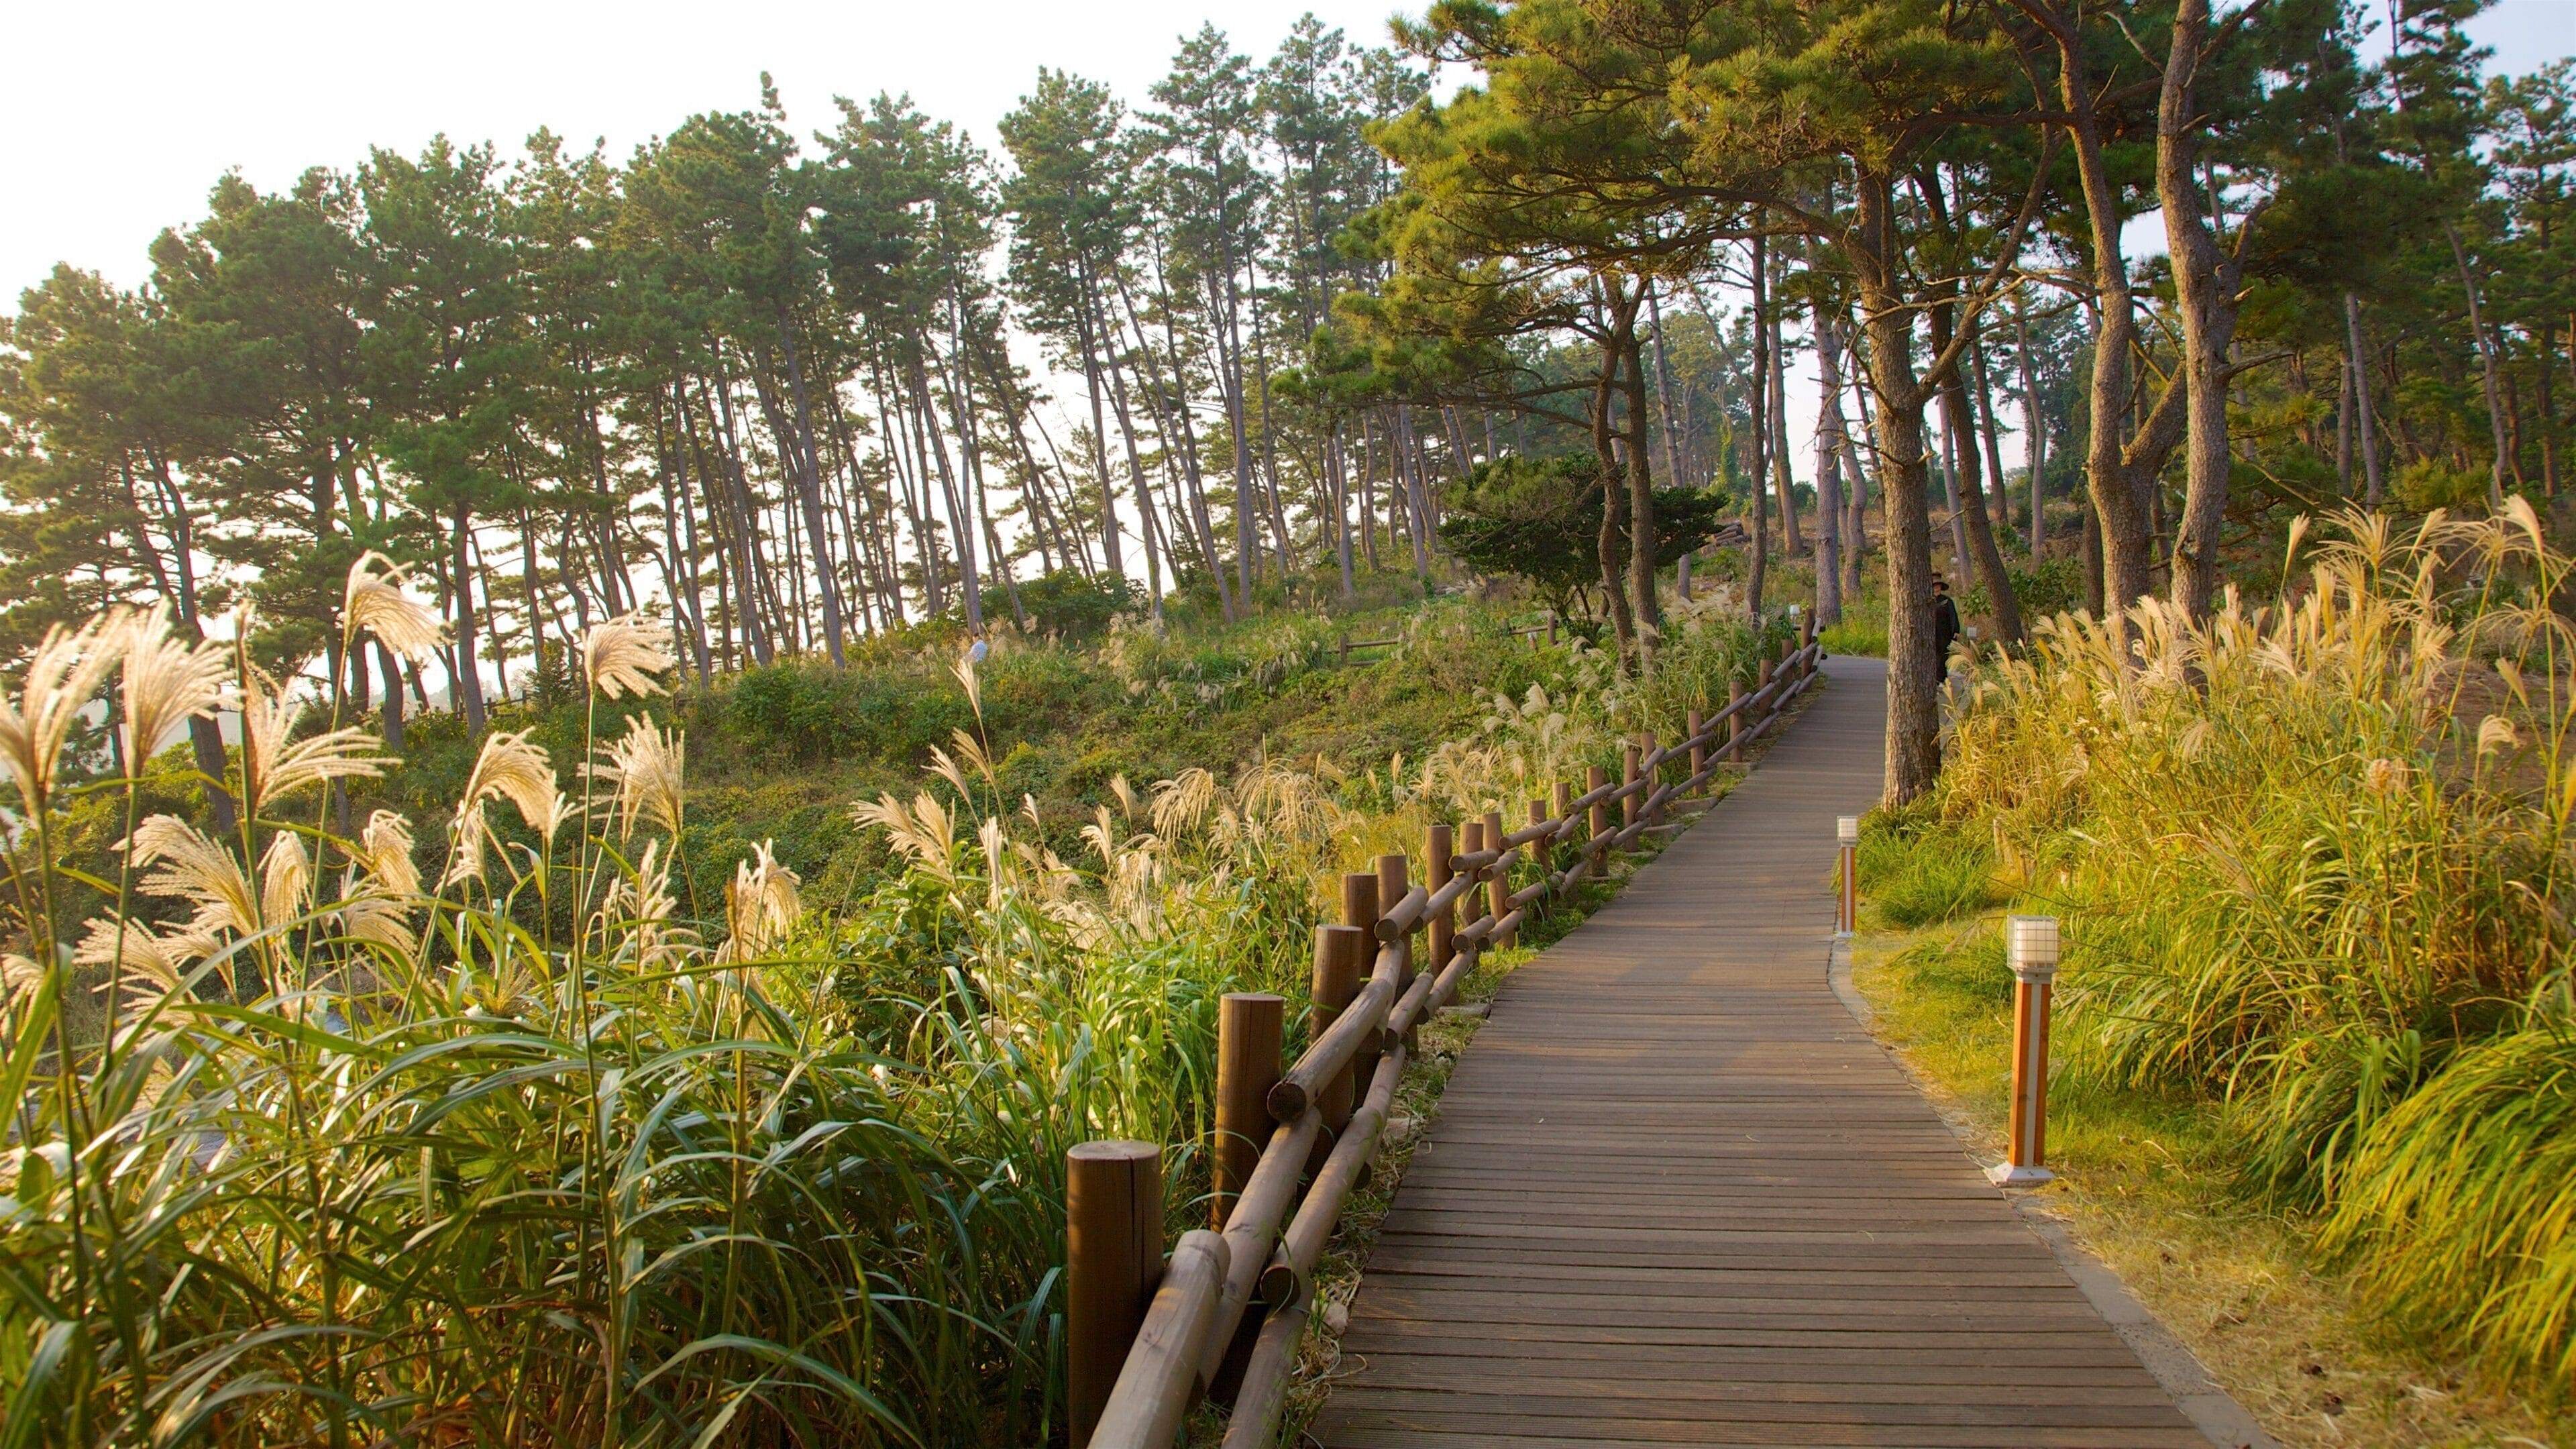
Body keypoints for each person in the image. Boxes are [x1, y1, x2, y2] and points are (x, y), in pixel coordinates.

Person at [1931, 578, 1961, 684]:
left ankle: (1941, 678)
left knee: (1943, 655)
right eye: (1935, 586)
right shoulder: (1928, 600)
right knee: (1933, 655)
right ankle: (1934, 677)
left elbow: (1953, 616)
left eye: (1938, 586)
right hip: (1931, 632)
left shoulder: (1947, 601)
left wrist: (1956, 630)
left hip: (1944, 632)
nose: (1936, 588)